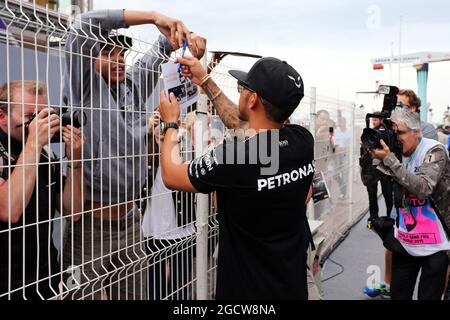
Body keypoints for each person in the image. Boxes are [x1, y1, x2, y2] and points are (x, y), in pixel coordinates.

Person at [61, 9, 206, 300]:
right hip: (91, 227)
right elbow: (83, 26)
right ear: (90, 58)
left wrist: (187, 41)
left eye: (122, 55)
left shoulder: (133, 87)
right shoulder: (84, 87)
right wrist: (154, 17)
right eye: (108, 53)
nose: (118, 60)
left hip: (130, 222)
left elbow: (161, 48)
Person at [158, 55, 314, 299]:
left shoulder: (234, 157)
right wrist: (205, 80)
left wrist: (170, 124)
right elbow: (244, 123)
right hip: (290, 284)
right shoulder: (302, 140)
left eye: (244, 88)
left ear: (252, 99)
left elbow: (171, 173)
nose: (240, 92)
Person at [0, 80, 84, 299]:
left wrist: (75, 161)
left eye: (43, 116)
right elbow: (9, 210)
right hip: (7, 283)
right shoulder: (33, 148)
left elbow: (73, 211)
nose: (38, 124)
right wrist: (34, 145)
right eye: (30, 117)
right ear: (2, 116)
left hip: (46, 275)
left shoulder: (46, 154)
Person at [371, 107, 450, 300]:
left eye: (400, 133)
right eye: (393, 133)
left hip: (435, 243)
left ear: (417, 132)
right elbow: (368, 181)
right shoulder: (394, 152)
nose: (396, 138)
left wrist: (390, 160)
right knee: (398, 295)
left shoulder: (434, 150)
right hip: (406, 240)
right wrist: (368, 156)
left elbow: (423, 188)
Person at [361, 111, 394, 299]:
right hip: (371, 172)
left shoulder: (388, 132)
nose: (374, 122)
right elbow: (364, 154)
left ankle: (390, 219)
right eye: (372, 119)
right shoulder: (369, 133)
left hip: (387, 171)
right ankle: (374, 220)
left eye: (376, 119)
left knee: (389, 196)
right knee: (372, 198)